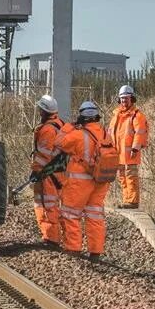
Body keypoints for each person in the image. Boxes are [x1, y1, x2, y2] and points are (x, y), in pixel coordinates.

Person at [54, 100, 110, 262]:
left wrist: (70, 126)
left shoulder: (77, 135)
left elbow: (59, 142)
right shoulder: (107, 134)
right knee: (95, 215)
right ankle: (95, 252)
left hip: (80, 183)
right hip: (101, 181)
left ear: (82, 117)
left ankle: (73, 249)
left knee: (71, 214)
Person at [30, 94, 65, 247]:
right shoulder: (60, 125)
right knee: (54, 206)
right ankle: (55, 237)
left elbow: (43, 156)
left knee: (47, 206)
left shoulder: (48, 130)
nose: (38, 113)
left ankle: (51, 239)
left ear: (44, 111)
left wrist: (36, 172)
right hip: (59, 174)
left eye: (40, 110)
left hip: (48, 175)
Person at [109, 84, 149, 209]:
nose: (123, 101)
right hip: (118, 153)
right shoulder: (116, 115)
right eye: (122, 98)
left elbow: (140, 132)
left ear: (132, 99)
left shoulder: (137, 116)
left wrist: (135, 148)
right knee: (123, 177)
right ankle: (127, 200)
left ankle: (132, 202)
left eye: (126, 98)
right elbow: (110, 133)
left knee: (131, 177)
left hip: (131, 153)